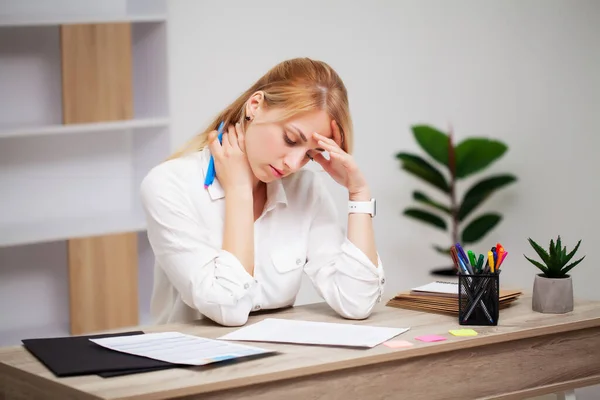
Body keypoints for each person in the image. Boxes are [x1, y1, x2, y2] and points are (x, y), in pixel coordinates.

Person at [140, 57, 385, 327]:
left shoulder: (305, 189)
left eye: (311, 155)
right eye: (290, 139)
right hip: (192, 362)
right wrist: (239, 192)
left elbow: (357, 302)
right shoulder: (169, 185)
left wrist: (358, 193)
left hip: (277, 361)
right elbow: (228, 310)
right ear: (255, 106)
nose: (294, 164)